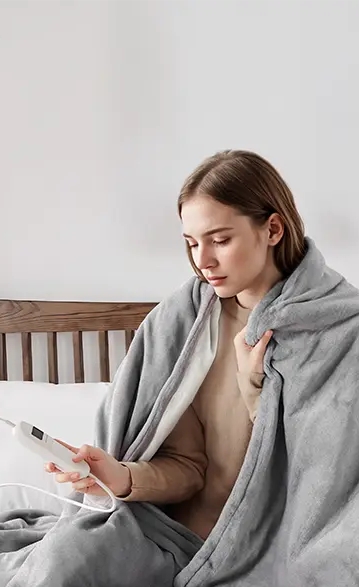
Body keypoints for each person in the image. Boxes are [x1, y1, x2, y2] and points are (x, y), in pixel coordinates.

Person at [45, 150, 304, 540]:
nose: (203, 261)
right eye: (192, 243)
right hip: (182, 542)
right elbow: (187, 468)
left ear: (273, 230)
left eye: (220, 240)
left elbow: (333, 475)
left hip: (281, 546)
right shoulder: (182, 324)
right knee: (59, 560)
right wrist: (120, 477)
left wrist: (256, 392)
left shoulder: (340, 325)